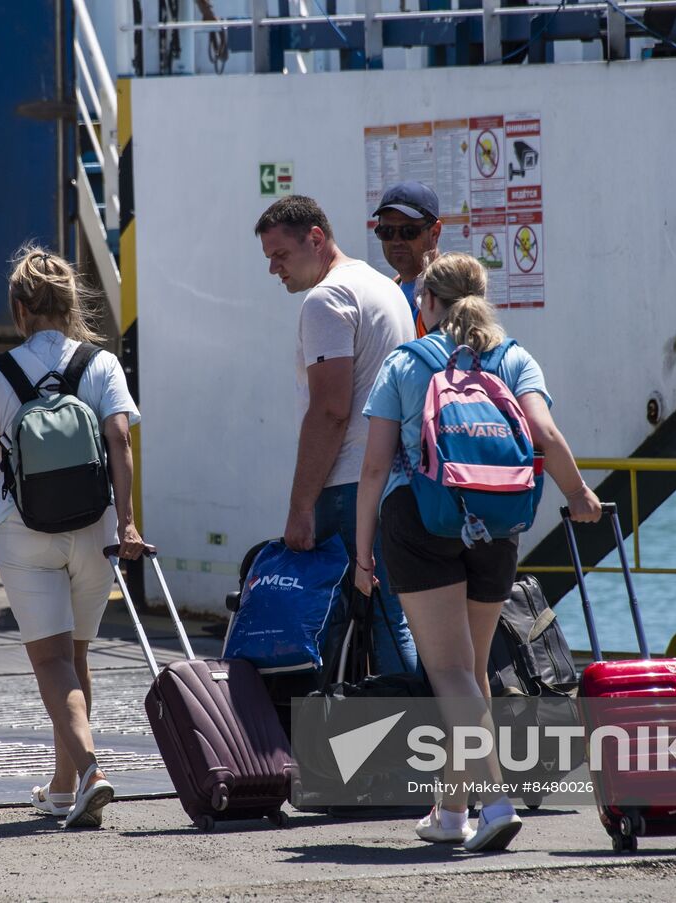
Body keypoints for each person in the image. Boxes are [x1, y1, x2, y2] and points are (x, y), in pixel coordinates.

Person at [353, 252, 601, 851]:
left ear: (428, 303)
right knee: (471, 672)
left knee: (451, 672)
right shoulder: (514, 358)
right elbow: (544, 433)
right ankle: (451, 809)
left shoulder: (406, 362)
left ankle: (494, 805)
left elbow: (375, 467)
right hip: (496, 523)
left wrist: (362, 556)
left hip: (421, 520)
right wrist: (579, 495)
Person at [0, 244, 143, 829]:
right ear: (71, 303)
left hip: (25, 529)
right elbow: (119, 441)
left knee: (51, 660)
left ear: (19, 309)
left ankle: (90, 772)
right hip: (95, 528)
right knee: (76, 658)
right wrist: (128, 523)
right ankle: (63, 787)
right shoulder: (101, 364)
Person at [254, 195, 419, 677]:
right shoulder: (385, 289)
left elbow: (330, 410)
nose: (274, 269)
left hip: (349, 485)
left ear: (316, 238)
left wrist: (300, 506)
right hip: (398, 480)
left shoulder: (327, 299)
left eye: (280, 255)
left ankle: (407, 722)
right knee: (394, 616)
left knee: (365, 621)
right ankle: (418, 718)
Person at [373, 180, 442, 336]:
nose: (396, 241)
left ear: (435, 232)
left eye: (408, 231)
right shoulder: (393, 288)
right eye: (387, 231)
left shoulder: (447, 291)